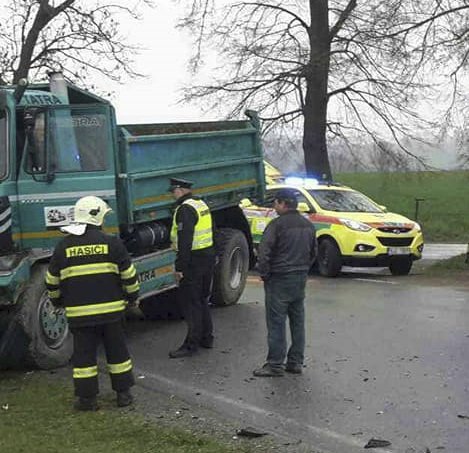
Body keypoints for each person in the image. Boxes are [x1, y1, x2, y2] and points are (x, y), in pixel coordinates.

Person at [45, 196, 139, 411]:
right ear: (97, 217)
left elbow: (51, 281)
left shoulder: (63, 246)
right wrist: (132, 298)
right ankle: (123, 395)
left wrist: (57, 301)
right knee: (118, 354)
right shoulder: (113, 244)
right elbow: (129, 277)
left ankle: (87, 400)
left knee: (84, 358)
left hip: (80, 316)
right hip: (112, 313)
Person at [253, 189, 317, 377]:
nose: (274, 206)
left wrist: (265, 274)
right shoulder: (308, 225)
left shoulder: (276, 225)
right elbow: (314, 252)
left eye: (276, 203)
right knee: (297, 321)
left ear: (282, 204)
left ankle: (274, 364)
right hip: (299, 278)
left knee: (276, 322)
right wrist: (303, 269)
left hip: (279, 278)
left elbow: (264, 253)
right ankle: (295, 362)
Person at [168, 177, 215, 358]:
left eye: (173, 191)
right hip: (207, 257)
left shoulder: (185, 209)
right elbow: (213, 230)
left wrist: (180, 268)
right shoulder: (200, 204)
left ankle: (190, 345)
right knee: (202, 299)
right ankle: (207, 337)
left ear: (180, 190)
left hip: (193, 261)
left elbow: (185, 240)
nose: (173, 195)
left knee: (191, 303)